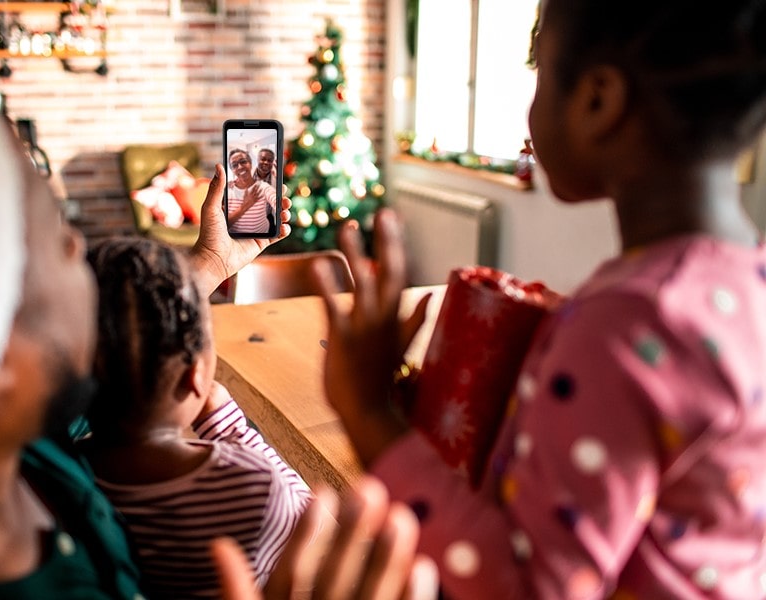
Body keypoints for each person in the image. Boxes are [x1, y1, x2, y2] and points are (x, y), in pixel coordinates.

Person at [0, 35, 438, 599]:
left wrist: (213, 260)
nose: (81, 248)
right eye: (59, 240)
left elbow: (129, 344)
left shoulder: (14, 444)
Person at [315, 0, 766, 597]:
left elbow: (528, 587)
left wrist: (369, 413)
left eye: (539, 69)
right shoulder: (742, 284)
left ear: (599, 99)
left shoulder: (629, 324)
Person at [81, 236, 312, 597]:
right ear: (196, 375)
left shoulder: (67, 469)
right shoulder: (254, 486)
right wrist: (230, 425)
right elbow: (308, 512)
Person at [227, 149, 276, 235]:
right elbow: (222, 223)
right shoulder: (228, 188)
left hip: (265, 225)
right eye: (234, 165)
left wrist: (279, 203)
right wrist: (245, 205)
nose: (240, 167)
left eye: (243, 162)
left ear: (250, 163)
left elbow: (273, 196)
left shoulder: (264, 186)